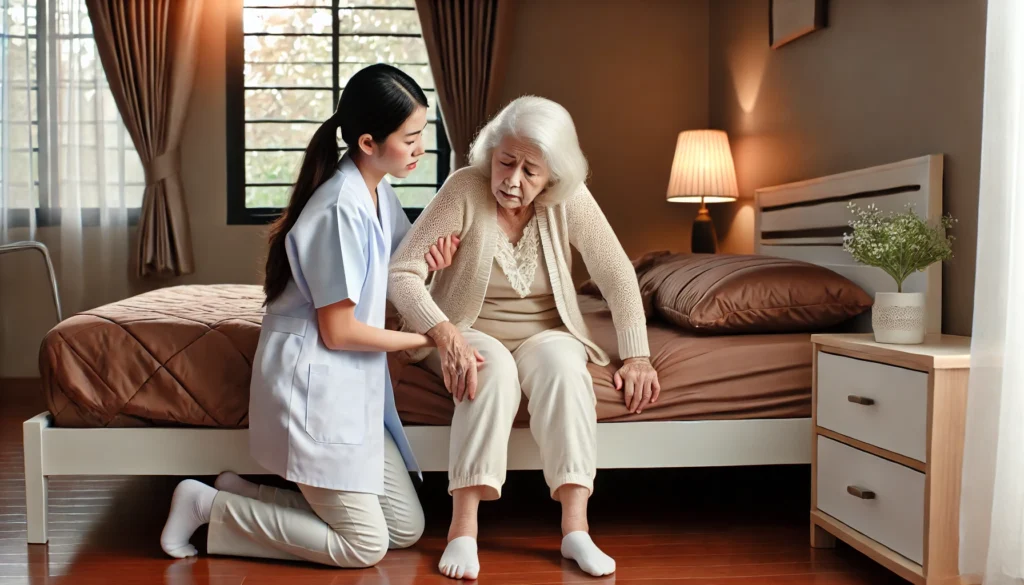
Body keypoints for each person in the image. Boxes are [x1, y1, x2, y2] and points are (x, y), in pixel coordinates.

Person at [158, 63, 462, 568]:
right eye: (410, 139)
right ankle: (206, 504)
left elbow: (396, 271)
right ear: (368, 142)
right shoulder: (338, 206)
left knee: (406, 530)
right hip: (315, 388)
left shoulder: (378, 190)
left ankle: (242, 495)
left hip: (351, 389)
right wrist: (426, 340)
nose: (420, 149)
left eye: (422, 134)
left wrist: (431, 266)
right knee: (365, 547)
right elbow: (339, 331)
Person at [388, 95, 661, 580]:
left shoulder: (569, 197)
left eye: (529, 171)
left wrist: (637, 355)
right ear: (490, 153)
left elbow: (618, 274)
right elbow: (402, 273)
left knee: (564, 368)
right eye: (505, 162)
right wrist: (445, 333)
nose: (512, 180)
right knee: (486, 369)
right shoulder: (464, 188)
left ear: (553, 174)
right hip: (465, 327)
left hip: (545, 331)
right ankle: (463, 530)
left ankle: (576, 530)